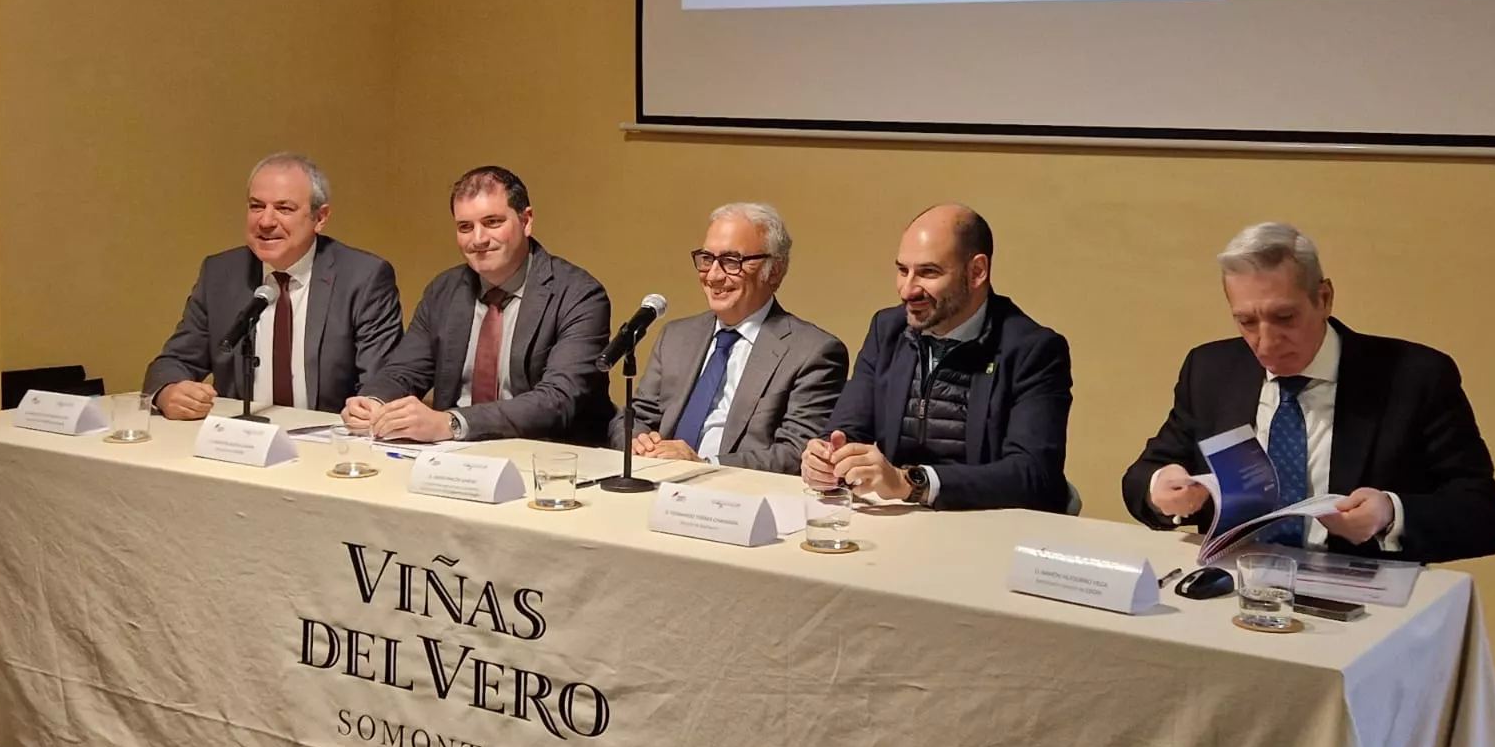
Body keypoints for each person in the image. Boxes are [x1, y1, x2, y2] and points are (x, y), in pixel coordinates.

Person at [1121, 222, 1495, 563]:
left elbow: (1484, 518)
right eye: (1246, 321)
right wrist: (1161, 490)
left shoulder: (1414, 377)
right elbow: (1143, 475)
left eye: (1284, 318)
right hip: (1233, 585)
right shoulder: (1211, 370)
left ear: (1323, 299)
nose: (1266, 343)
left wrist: (1390, 513)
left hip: (1357, 597)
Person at [801, 204, 1071, 511]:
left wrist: (911, 483)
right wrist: (826, 456)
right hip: (899, 524)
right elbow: (847, 427)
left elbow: (1033, 475)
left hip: (987, 529)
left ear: (977, 272)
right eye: (902, 270)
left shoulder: (1032, 350)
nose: (907, 290)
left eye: (928, 272)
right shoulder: (887, 330)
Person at [345, 166, 615, 443]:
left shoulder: (579, 295)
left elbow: (557, 400)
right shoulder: (444, 290)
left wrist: (452, 423)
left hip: (548, 455)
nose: (478, 239)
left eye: (493, 222)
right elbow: (404, 371)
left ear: (526, 220)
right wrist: (371, 401)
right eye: (465, 227)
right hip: (450, 457)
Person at [144, 153, 403, 418]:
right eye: (256, 206)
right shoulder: (221, 274)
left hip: (327, 441)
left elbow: (382, 380)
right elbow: (173, 361)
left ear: (321, 218)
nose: (266, 222)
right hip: (239, 441)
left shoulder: (363, 277)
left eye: (284, 209)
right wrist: (169, 391)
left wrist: (368, 409)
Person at [616, 203, 848, 473]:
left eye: (730, 261)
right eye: (706, 259)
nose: (713, 275)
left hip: (740, 499)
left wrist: (703, 466)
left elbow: (796, 453)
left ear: (773, 270)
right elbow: (635, 418)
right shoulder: (676, 337)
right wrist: (639, 443)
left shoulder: (813, 352)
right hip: (658, 482)